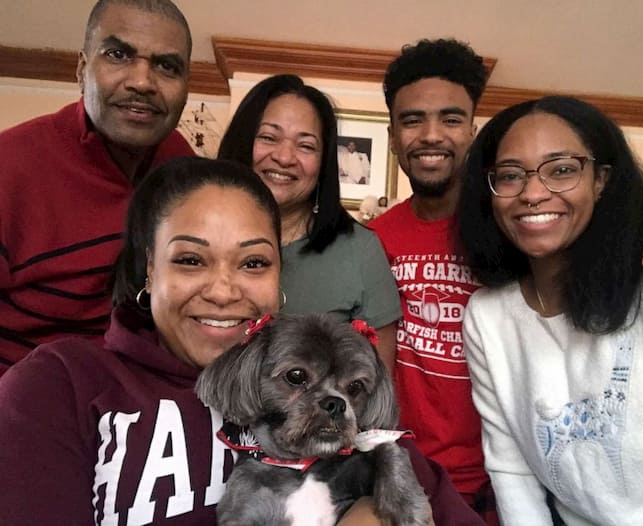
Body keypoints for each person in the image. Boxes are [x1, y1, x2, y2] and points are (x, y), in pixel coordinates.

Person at [0, 157, 482, 525]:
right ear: (150, 266)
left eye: (253, 263)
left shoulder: (343, 409)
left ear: (279, 275)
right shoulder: (59, 382)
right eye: (191, 259)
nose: (224, 291)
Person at [367, 38, 643, 524]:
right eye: (413, 120)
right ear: (393, 135)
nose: (533, 193)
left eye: (562, 170)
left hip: (494, 487)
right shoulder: (384, 246)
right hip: (412, 472)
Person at [459, 95, 643, 525]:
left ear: (601, 180)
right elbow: (511, 468)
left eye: (562, 169)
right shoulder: (487, 316)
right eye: (510, 176)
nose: (533, 193)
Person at [0, 0, 194, 375]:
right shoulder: (11, 167)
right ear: (82, 69)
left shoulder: (181, 167)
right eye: (119, 54)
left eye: (166, 66)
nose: (142, 82)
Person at [217, 74, 401, 370]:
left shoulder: (360, 250)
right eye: (268, 137)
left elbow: (375, 388)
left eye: (306, 146)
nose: (285, 157)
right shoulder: (198, 234)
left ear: (323, 162)